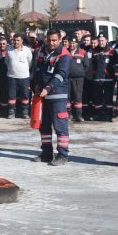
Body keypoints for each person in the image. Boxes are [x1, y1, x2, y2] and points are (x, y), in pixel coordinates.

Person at [32, 29, 72, 166]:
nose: (51, 43)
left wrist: (47, 88)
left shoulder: (64, 55)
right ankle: (47, 153)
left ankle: (62, 155)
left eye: (54, 40)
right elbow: (38, 70)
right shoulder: (43, 51)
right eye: (49, 40)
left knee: (60, 126)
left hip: (57, 95)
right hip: (43, 95)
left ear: (60, 40)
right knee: (44, 126)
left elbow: (60, 75)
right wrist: (36, 85)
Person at [6, 33, 34, 119]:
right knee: (11, 96)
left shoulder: (27, 50)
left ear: (22, 41)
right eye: (14, 40)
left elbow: (30, 62)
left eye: (18, 40)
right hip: (11, 76)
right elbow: (6, 62)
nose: (16, 42)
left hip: (24, 77)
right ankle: (11, 112)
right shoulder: (9, 49)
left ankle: (24, 112)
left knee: (25, 95)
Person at [91, 34, 116, 121]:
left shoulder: (112, 51)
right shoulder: (94, 51)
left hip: (108, 79)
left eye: (103, 40)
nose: (101, 42)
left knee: (108, 98)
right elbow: (92, 64)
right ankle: (98, 114)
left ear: (106, 41)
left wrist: (114, 76)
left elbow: (115, 64)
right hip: (97, 78)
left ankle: (109, 115)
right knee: (97, 98)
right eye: (100, 40)